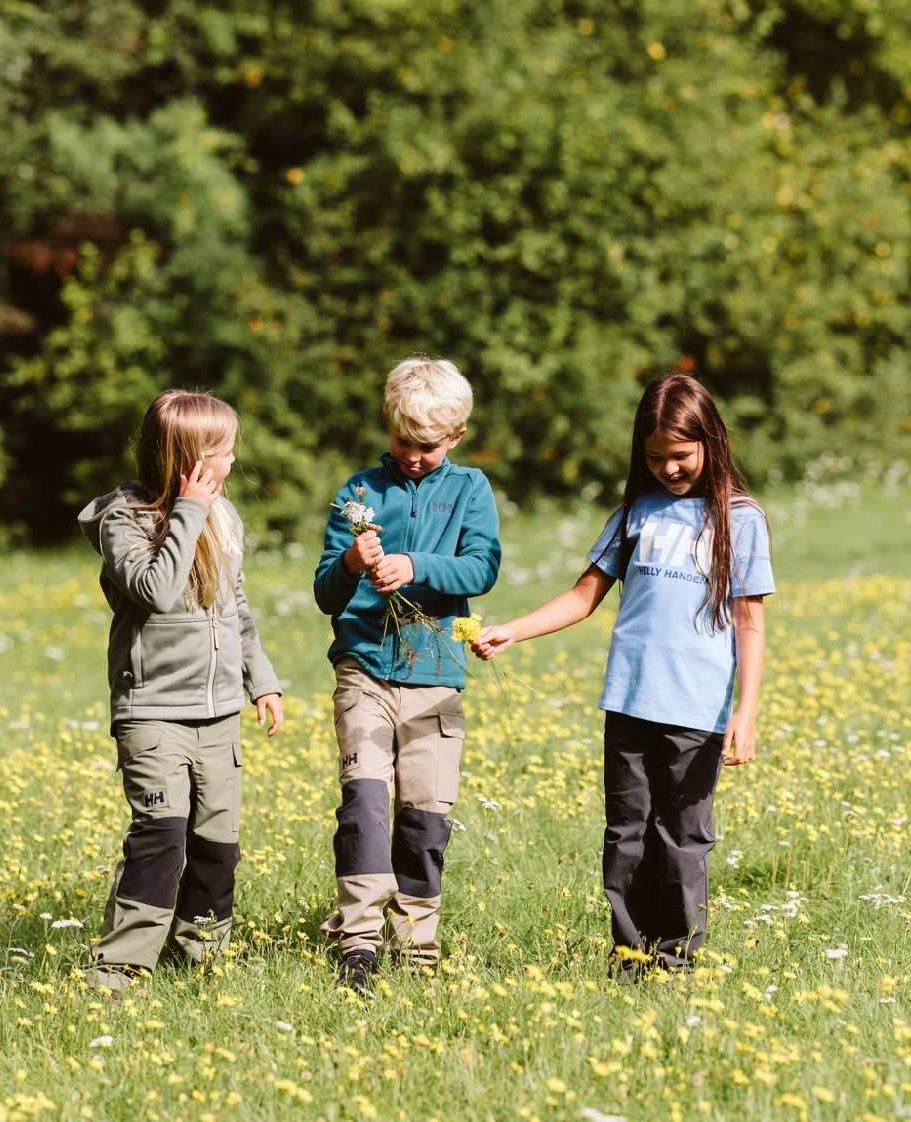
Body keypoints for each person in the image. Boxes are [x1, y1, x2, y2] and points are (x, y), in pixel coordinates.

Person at [472, 373, 773, 975]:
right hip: (630, 702)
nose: (668, 468)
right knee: (627, 832)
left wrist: (747, 709)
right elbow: (584, 596)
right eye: (655, 456)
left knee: (682, 838)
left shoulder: (740, 520)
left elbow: (749, 623)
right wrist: (514, 629)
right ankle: (631, 956)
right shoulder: (635, 513)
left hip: (696, 710)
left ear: (711, 441)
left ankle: (676, 959)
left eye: (680, 455)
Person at [77, 389, 283, 992]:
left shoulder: (225, 516)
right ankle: (120, 967)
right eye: (221, 451)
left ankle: (201, 955)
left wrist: (261, 679)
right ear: (185, 458)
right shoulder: (125, 520)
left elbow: (236, 607)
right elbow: (157, 590)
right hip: (153, 711)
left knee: (218, 844)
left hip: (219, 714)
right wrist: (190, 510)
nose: (231, 462)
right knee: (160, 838)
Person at [314, 356, 501, 993]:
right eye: (403, 442)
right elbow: (324, 594)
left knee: (425, 812)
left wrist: (414, 564)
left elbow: (481, 569)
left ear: (456, 437)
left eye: (427, 446)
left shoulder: (471, 489)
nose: (414, 456)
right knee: (365, 804)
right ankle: (357, 940)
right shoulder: (359, 492)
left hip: (436, 672)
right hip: (363, 667)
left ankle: (416, 940)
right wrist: (348, 561)